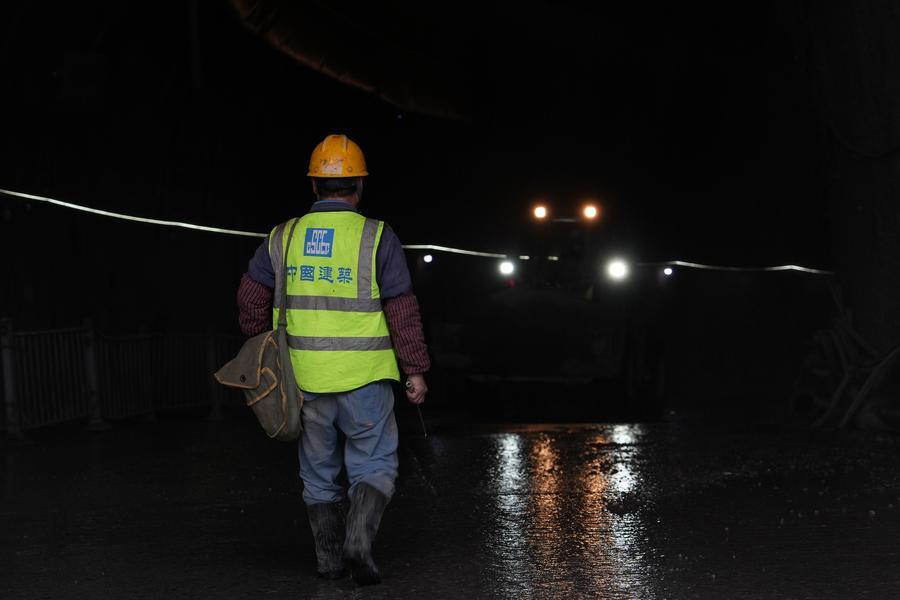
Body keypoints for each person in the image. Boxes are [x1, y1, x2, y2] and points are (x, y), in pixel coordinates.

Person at [236, 134, 430, 585]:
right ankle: (358, 541)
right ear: (359, 185)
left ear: (314, 186)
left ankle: (328, 560)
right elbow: (401, 308)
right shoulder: (376, 236)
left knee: (318, 471)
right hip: (366, 378)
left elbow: (251, 295)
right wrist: (415, 369)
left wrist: (261, 345)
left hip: (303, 380)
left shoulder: (283, 237)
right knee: (374, 463)